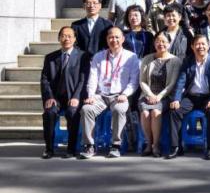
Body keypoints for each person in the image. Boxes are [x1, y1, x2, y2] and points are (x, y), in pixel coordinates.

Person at [78, 27, 140, 159]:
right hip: (101, 95)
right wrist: (90, 96)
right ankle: (89, 145)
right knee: (86, 109)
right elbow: (92, 79)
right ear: (107, 39)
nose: (114, 40)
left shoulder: (131, 57)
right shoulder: (98, 56)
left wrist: (125, 94)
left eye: (117, 37)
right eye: (111, 37)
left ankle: (116, 145)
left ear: (123, 39)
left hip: (120, 95)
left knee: (119, 109)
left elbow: (134, 81)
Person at [169, 35, 210, 160]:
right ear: (192, 47)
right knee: (175, 110)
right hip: (191, 97)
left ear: (208, 46)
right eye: (197, 44)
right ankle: (176, 147)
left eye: (203, 44)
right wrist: (176, 99)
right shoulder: (188, 61)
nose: (200, 46)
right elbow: (181, 81)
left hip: (207, 97)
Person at [40, 26, 89, 159]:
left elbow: (83, 80)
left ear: (74, 39)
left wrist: (77, 97)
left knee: (72, 113)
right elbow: (45, 80)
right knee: (49, 113)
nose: (66, 39)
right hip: (56, 98)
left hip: (73, 96)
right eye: (63, 36)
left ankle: (71, 149)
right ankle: (49, 149)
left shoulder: (83, 56)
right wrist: (49, 97)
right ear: (59, 38)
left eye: (69, 36)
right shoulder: (50, 57)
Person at [138, 32, 183, 157]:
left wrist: (159, 97)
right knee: (145, 113)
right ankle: (149, 144)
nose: (160, 44)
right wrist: (150, 95)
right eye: (158, 41)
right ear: (154, 43)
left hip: (165, 96)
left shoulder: (175, 61)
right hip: (147, 95)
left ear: (169, 44)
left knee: (155, 112)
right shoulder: (147, 59)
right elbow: (142, 81)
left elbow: (172, 84)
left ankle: (156, 145)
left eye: (164, 41)